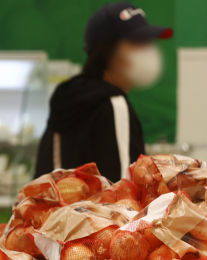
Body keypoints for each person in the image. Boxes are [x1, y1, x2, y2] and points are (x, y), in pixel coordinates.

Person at [34, 2, 173, 182]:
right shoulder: (114, 104)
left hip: (56, 209)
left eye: (149, 42)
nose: (149, 51)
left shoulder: (68, 97)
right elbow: (123, 192)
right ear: (108, 52)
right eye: (137, 42)